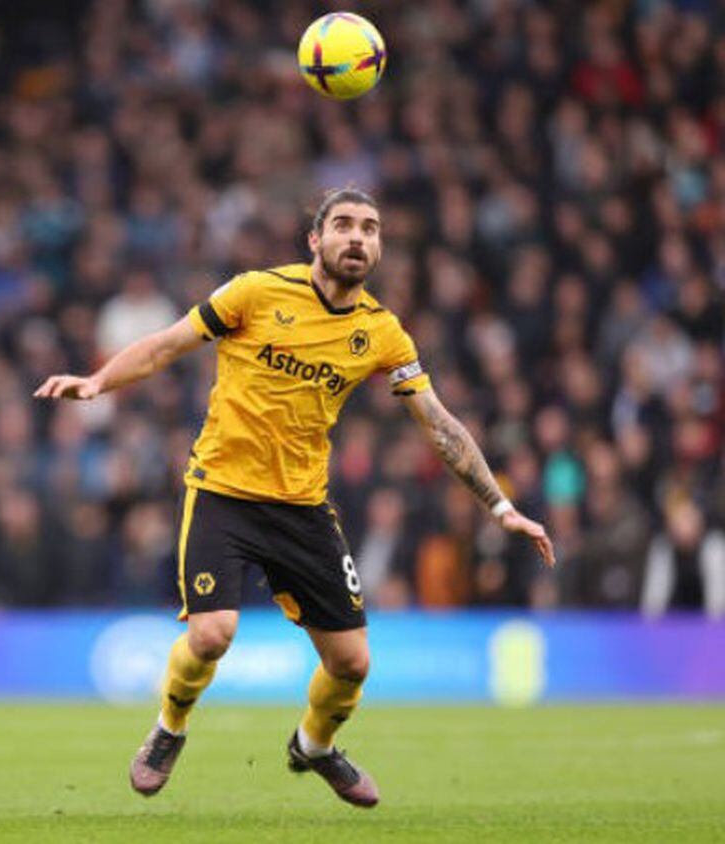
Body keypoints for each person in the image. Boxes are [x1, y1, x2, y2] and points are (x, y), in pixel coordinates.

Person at [34, 188, 555, 808]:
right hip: (223, 492)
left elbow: (439, 424)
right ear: (316, 239)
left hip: (303, 508)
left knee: (353, 664)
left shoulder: (381, 333)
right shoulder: (254, 292)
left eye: (370, 228)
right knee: (211, 636)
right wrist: (98, 382)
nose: (358, 238)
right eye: (344, 226)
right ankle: (169, 728)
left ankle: (312, 746)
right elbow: (169, 344)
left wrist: (500, 506)